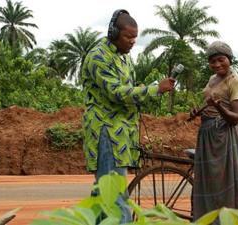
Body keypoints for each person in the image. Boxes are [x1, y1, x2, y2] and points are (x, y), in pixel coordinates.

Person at [81, 9, 175, 223]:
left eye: (135, 37)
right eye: (128, 37)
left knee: (102, 197)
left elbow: (129, 88)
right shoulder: (98, 56)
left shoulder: (123, 58)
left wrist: (152, 88)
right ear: (113, 33)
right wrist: (154, 90)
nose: (133, 42)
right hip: (107, 133)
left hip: (122, 135)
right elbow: (116, 93)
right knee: (114, 197)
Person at [190, 41, 238, 223]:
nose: (216, 65)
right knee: (208, 186)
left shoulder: (236, 82)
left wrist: (219, 107)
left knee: (226, 186)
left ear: (229, 59)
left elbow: (235, 117)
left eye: (221, 60)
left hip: (226, 137)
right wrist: (197, 112)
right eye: (212, 61)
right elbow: (209, 103)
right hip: (207, 136)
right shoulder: (212, 80)